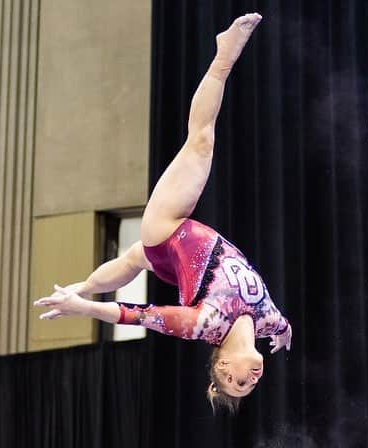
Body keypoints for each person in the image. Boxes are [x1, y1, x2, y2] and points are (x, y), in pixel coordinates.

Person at [33, 13, 292, 414]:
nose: (250, 379)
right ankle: (84, 283)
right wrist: (284, 333)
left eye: (236, 381)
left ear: (221, 365)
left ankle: (223, 57)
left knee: (201, 141)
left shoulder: (203, 325)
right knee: (134, 259)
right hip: (172, 259)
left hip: (168, 230)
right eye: (249, 386)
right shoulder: (269, 323)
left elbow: (136, 314)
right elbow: (281, 325)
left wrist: (84, 308)